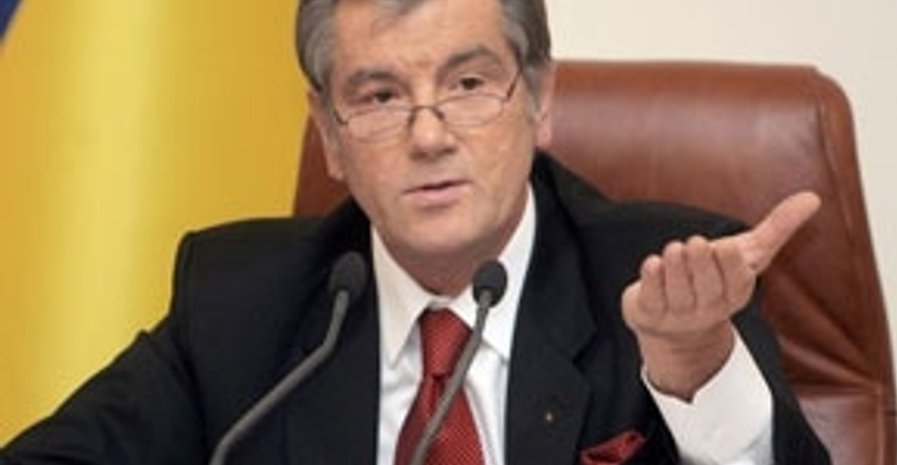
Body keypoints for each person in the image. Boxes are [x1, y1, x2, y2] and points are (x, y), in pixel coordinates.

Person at [2, 0, 830, 463]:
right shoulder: (240, 302)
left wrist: (696, 366)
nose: (428, 135)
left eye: (467, 84)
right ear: (328, 133)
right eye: (379, 97)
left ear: (539, 98)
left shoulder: (664, 285)